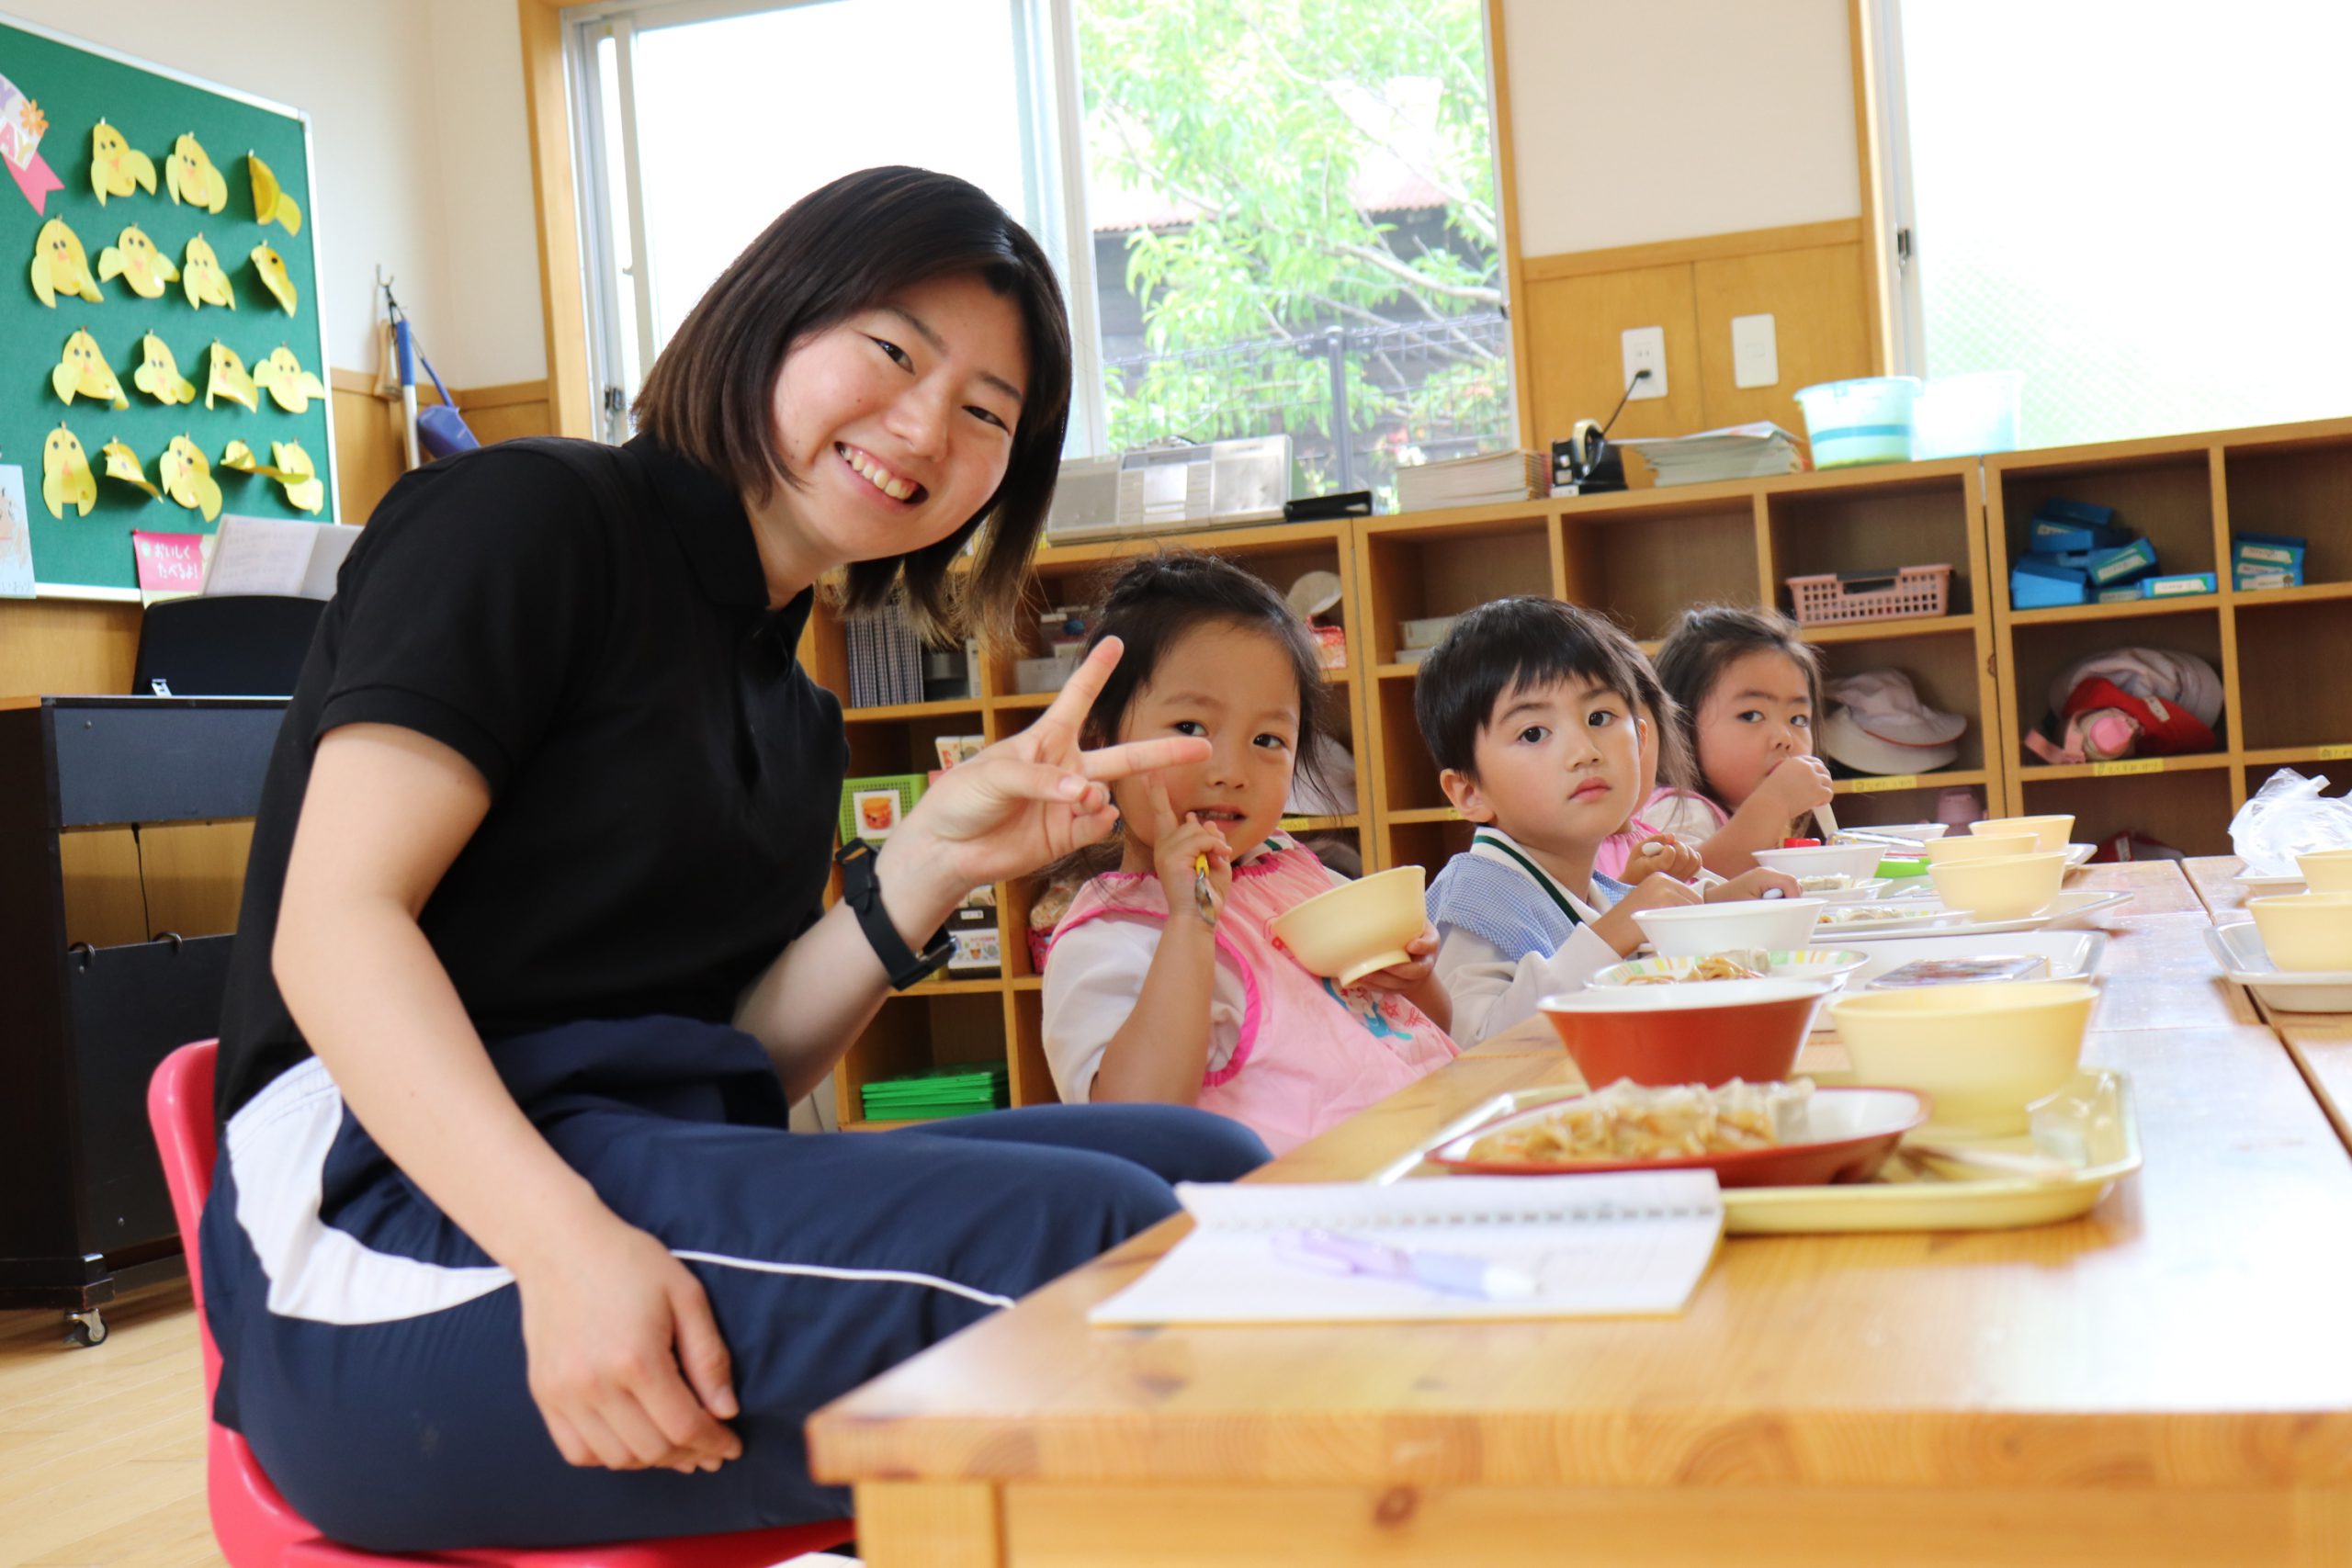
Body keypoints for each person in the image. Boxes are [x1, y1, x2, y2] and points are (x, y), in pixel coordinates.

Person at [198, 167, 1268, 1553]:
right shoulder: (526, 518)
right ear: (771, 315)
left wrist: (932, 863)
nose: (923, 428)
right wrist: (563, 1250)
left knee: (1210, 1170)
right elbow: (332, 925)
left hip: (630, 1161)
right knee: (1089, 1250)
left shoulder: (793, 707)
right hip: (381, 1226)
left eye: (987, 413)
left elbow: (726, 1063)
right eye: (893, 351)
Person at [1041, 552, 1457, 1155]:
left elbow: (1420, 1033)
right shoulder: (1110, 938)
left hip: (1429, 1156)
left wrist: (1415, 981)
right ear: (1100, 739)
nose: (1230, 770)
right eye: (1189, 728)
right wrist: (1190, 920)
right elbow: (1134, 1125)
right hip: (1299, 1220)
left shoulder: (1288, 867)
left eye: (1268, 739)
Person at [1414, 598, 1795, 1045]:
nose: (1585, 751)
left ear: (1640, 738)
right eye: (1533, 733)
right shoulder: (1475, 898)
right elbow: (1476, 1044)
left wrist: (1715, 903)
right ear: (1469, 793)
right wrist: (1614, 932)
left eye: (1600, 718)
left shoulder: (1580, 882)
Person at [1652, 604, 1837, 876]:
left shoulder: (1735, 815)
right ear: (1680, 724)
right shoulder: (1680, 811)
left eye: (1798, 719)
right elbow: (1691, 889)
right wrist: (1775, 802)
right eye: (1751, 715)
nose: (1785, 738)